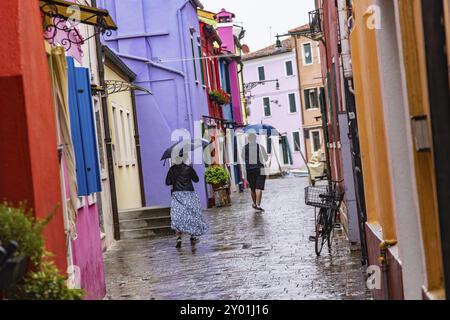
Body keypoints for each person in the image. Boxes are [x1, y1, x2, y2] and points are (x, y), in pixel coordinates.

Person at [165, 152, 208, 248]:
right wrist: (191, 171)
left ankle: (179, 237)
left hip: (177, 194)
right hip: (189, 193)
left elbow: (167, 182)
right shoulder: (189, 168)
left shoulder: (172, 170)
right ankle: (192, 235)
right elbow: (196, 179)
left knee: (178, 216)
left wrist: (174, 178)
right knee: (191, 214)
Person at [242, 133, 269, 212]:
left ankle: (254, 204)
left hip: (250, 170)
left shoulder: (245, 148)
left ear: (248, 139)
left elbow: (243, 158)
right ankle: (258, 205)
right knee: (259, 187)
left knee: (253, 188)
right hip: (260, 168)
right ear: (255, 139)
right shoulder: (260, 147)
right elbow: (266, 158)